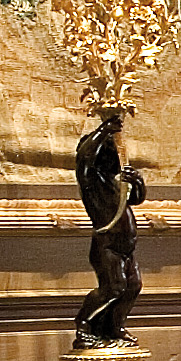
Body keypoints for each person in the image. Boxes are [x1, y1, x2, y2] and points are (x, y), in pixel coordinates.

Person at [71, 104, 144, 348]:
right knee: (113, 287)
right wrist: (104, 130)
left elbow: (134, 199)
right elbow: (85, 156)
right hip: (107, 245)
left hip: (126, 246)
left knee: (132, 286)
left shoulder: (113, 184)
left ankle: (114, 327)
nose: (118, 157)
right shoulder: (92, 181)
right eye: (112, 153)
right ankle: (83, 325)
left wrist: (138, 182)